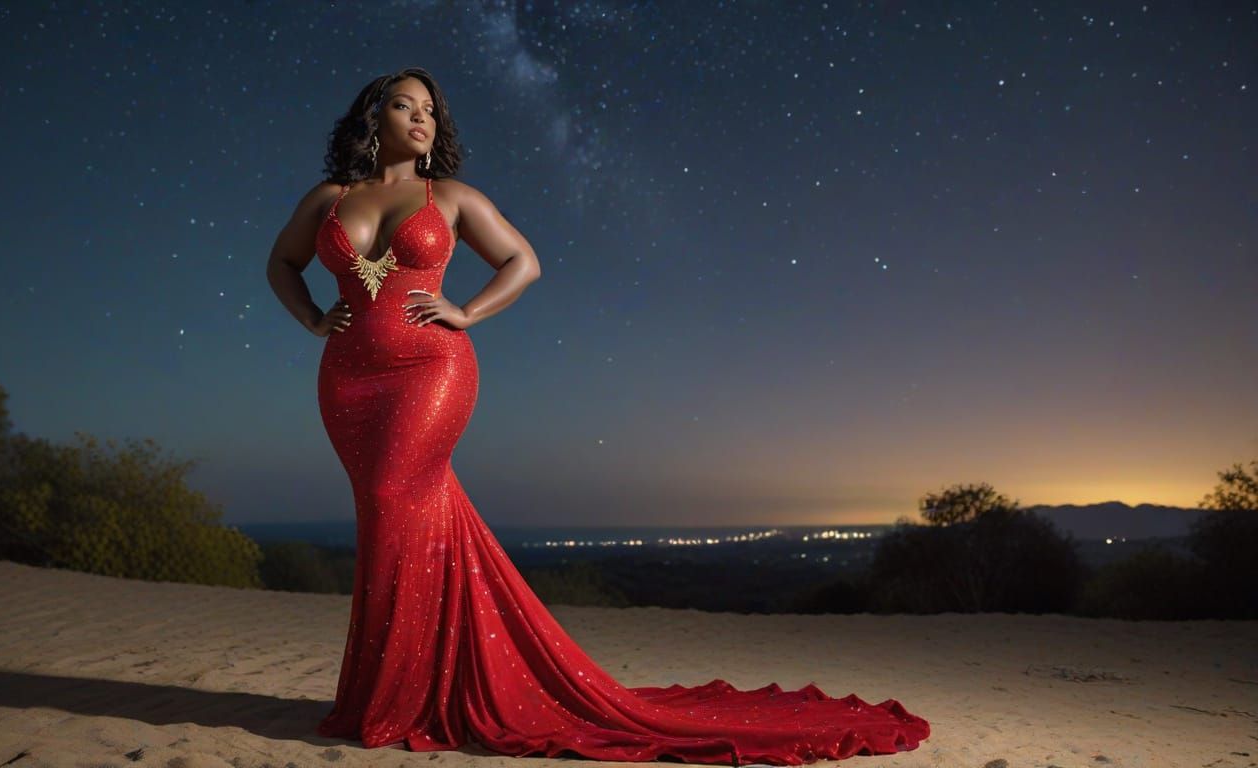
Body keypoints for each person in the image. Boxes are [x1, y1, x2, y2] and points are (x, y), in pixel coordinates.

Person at [266, 67, 930, 764]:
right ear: (373, 119)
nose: (421, 118)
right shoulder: (330, 199)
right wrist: (313, 316)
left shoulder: (451, 197)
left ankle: (401, 696)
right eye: (405, 106)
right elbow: (282, 263)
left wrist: (466, 312)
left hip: (432, 371)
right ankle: (399, 689)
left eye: (431, 110)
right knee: (390, 516)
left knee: (392, 494)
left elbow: (524, 262)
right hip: (347, 382)